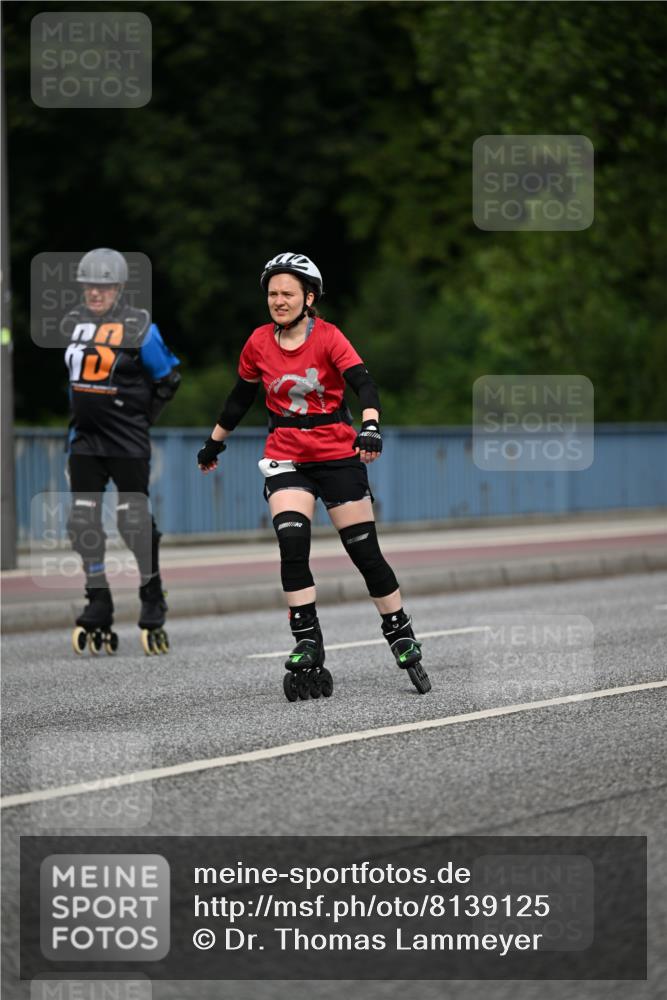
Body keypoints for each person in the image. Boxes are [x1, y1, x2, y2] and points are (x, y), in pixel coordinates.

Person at [197, 252, 431, 698]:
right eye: (272, 294)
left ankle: (399, 630)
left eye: (287, 293)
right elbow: (240, 398)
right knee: (292, 544)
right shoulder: (258, 343)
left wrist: (370, 426)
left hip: (338, 454)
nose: (278, 301)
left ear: (309, 298)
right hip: (286, 455)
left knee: (364, 552)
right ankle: (307, 639)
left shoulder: (328, 337)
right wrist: (215, 442)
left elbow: (364, 384)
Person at [62, 248, 181, 655]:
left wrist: (141, 419)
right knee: (81, 522)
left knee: (133, 522)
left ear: (119, 288)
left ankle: (152, 593)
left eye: (105, 286)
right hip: (85, 440)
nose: (95, 292)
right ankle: (98, 599)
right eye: (89, 286)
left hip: (127, 441)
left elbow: (168, 379)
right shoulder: (75, 324)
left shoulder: (140, 327)